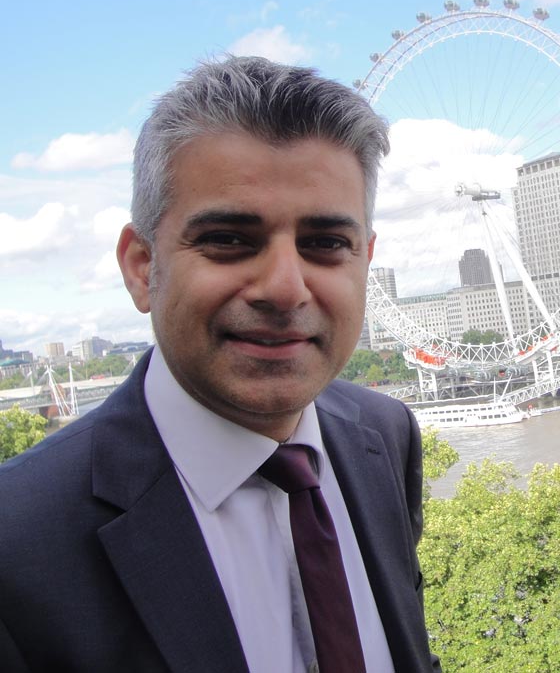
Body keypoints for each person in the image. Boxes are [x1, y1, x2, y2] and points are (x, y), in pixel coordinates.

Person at [0, 56, 441, 672]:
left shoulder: (387, 436)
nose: (285, 289)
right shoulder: (17, 539)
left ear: (365, 260)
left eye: (325, 244)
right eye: (229, 240)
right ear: (142, 267)